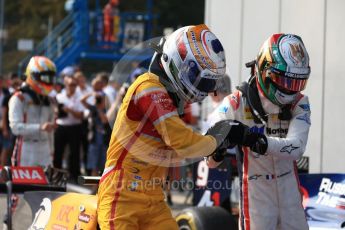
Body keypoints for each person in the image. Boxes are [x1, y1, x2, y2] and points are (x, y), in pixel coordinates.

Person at [97, 24, 237, 230]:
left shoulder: (172, 99)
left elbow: (181, 150)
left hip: (153, 196)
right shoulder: (148, 86)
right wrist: (217, 139)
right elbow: (181, 141)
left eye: (208, 83)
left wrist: (217, 148)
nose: (204, 89)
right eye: (198, 78)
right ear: (178, 65)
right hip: (121, 193)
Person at [207, 33, 311, 230]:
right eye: (287, 81)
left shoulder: (300, 102)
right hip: (256, 191)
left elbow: (297, 148)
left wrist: (253, 139)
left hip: (289, 186)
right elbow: (210, 160)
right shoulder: (235, 103)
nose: (291, 90)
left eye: (297, 82)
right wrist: (219, 149)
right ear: (265, 70)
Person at [8, 56, 57, 167]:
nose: (49, 81)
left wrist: (52, 151)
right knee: (23, 184)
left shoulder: (49, 100)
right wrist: (40, 127)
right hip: (26, 147)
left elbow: (51, 131)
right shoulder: (19, 98)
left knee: (47, 183)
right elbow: (15, 128)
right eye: (45, 77)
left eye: (51, 78)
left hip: (45, 149)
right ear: (33, 75)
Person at [54, 76, 84, 182]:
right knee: (58, 152)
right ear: (66, 85)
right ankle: (57, 175)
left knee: (74, 153)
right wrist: (57, 111)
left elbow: (80, 115)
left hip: (74, 127)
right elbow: (55, 112)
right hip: (61, 126)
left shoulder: (80, 97)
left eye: (75, 85)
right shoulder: (59, 96)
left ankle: (74, 176)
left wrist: (69, 110)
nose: (73, 87)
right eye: (71, 84)